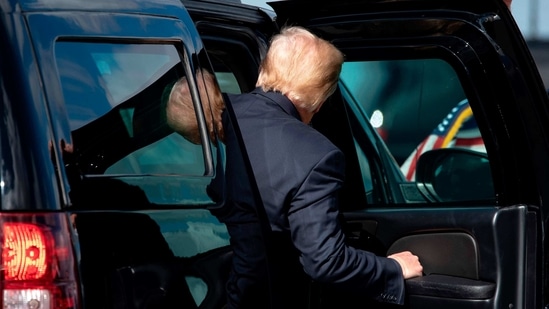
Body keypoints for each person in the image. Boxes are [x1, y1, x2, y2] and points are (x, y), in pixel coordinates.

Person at [167, 27, 423, 309]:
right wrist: (392, 269)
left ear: (265, 70)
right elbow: (326, 262)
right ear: (320, 98)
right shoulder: (317, 155)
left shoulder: (217, 114)